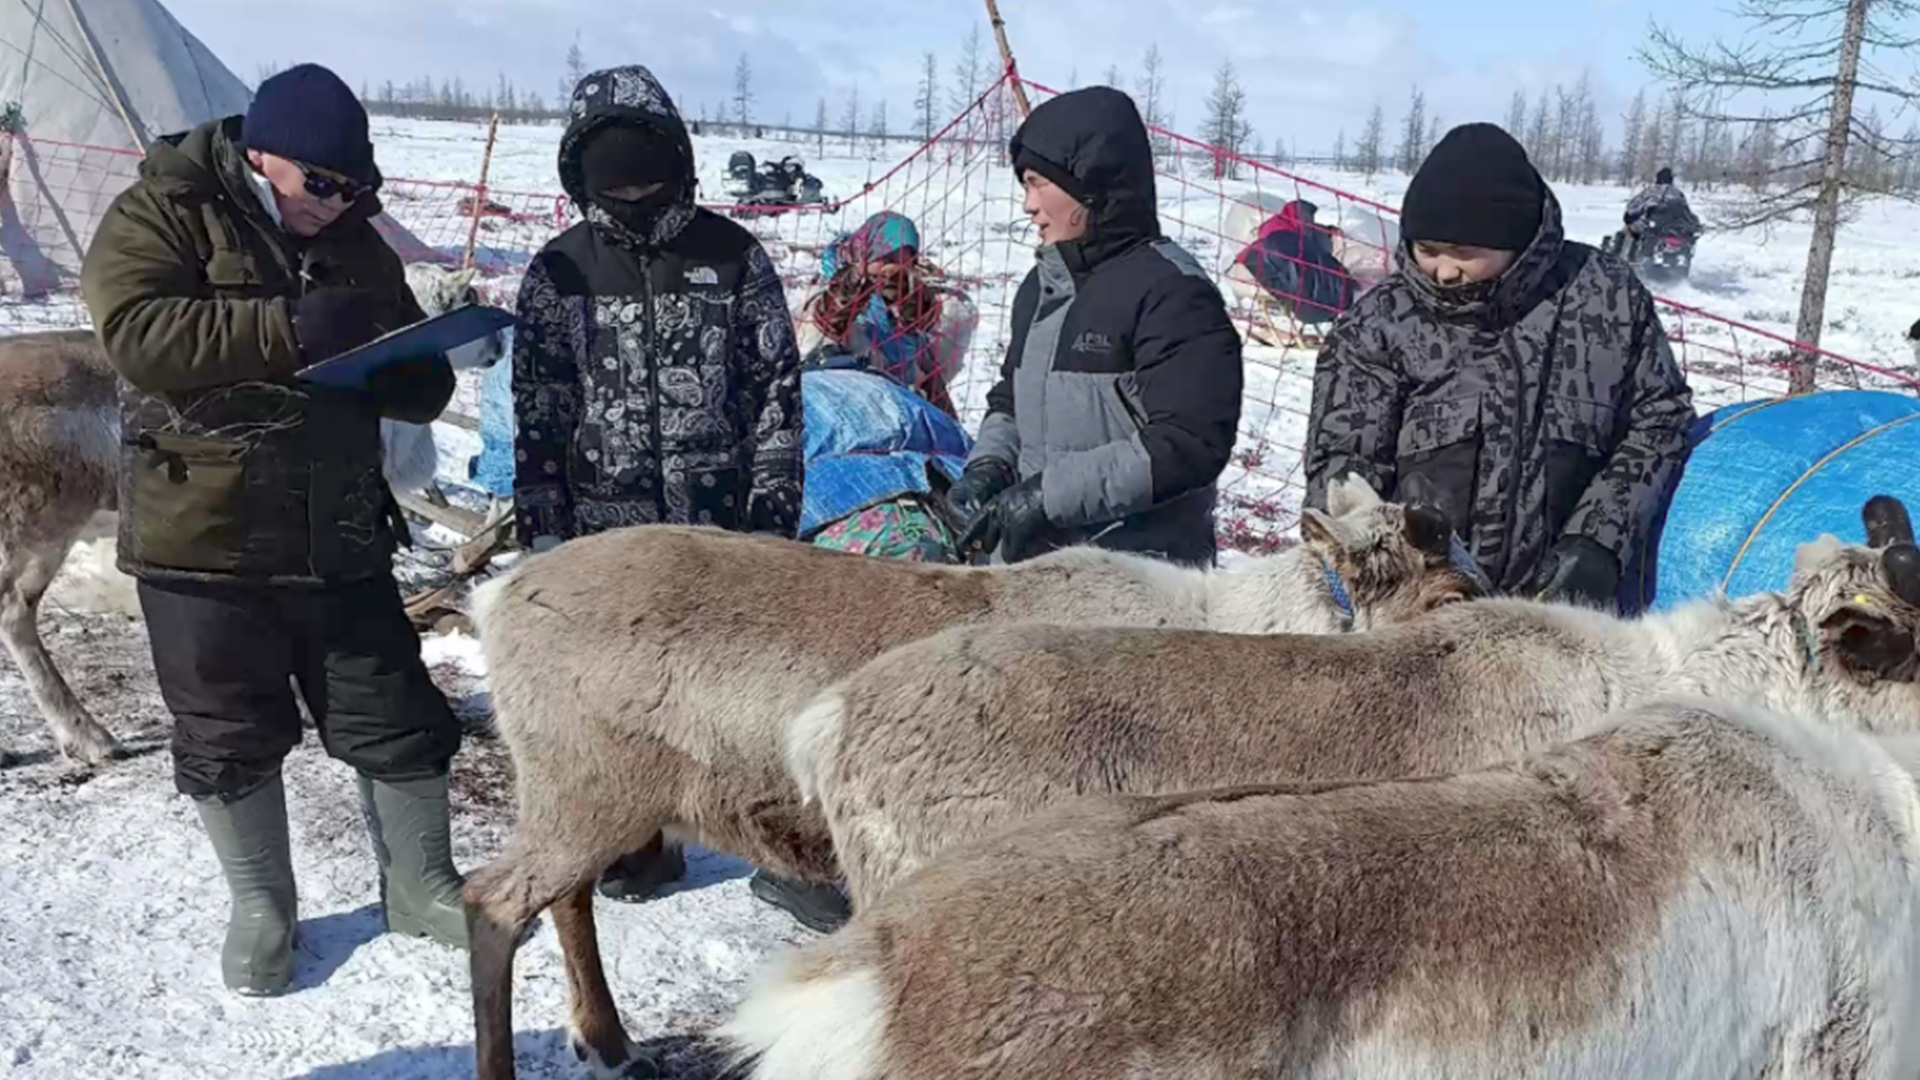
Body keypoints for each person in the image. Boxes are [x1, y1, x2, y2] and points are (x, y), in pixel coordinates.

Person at [79, 64, 466, 997]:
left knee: (399, 717)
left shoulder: (356, 238)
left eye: (355, 190)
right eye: (321, 186)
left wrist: (414, 375)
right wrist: (291, 326)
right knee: (226, 733)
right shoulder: (161, 210)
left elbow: (389, 337)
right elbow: (137, 333)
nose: (337, 207)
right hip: (200, 538)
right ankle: (264, 909)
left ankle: (422, 887)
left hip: (337, 532)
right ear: (261, 154)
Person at [508, 66, 834, 928]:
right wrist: (545, 535)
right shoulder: (558, 272)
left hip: (719, 531)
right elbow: (538, 416)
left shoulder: (733, 258)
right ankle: (637, 836)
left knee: (739, 696)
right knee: (621, 699)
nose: (632, 195)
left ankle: (766, 840)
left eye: (645, 175)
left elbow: (775, 399)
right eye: (611, 180)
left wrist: (773, 526)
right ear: (580, 178)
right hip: (604, 543)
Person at [1304, 123, 1695, 616]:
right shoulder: (1381, 322)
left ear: (1519, 241)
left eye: (1465, 253)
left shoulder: (1606, 299)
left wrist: (1599, 540)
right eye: (1427, 250)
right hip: (1420, 613)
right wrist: (1382, 572)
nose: (1444, 270)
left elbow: (1658, 420)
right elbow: (1344, 463)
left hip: (1566, 611)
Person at [949, 86, 1244, 568]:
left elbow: (1190, 441)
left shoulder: (1172, 292)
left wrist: (1046, 498)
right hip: (1031, 567)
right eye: (1024, 186)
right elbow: (1010, 399)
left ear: (1089, 184)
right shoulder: (1040, 288)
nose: (1027, 205)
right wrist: (987, 468)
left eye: (1038, 183)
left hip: (1137, 580)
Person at [801, 210, 960, 416]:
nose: (893, 267)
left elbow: (931, 333)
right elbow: (827, 324)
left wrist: (911, 305)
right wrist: (856, 285)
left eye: (903, 260)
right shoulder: (827, 288)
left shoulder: (900, 296)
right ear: (868, 252)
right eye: (887, 257)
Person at [1622, 166, 1702, 258]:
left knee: (1628, 230)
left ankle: (1628, 258)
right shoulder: (1677, 192)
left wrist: (1629, 216)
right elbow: (1686, 210)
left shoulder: (1651, 191)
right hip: (1675, 229)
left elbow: (1634, 206)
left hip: (1653, 228)